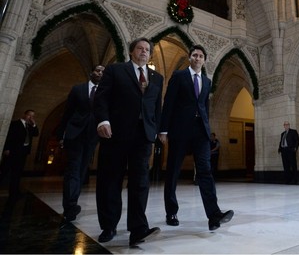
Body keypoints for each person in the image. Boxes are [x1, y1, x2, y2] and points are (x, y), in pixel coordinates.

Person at [93, 37, 163, 246]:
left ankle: (138, 229)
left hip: (143, 136)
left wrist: (157, 130)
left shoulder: (156, 77)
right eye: (140, 48)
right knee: (110, 180)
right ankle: (109, 225)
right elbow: (101, 98)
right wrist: (103, 121)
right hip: (116, 133)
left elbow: (156, 107)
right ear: (132, 51)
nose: (144, 51)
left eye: (147, 49)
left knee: (140, 182)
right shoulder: (115, 70)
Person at [158, 44, 234, 231]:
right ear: (190, 58)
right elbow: (168, 103)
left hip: (200, 132)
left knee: (205, 171)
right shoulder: (179, 76)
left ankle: (213, 215)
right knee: (174, 171)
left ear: (204, 60)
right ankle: (171, 212)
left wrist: (208, 129)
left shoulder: (207, 81)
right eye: (194, 55)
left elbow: (204, 107)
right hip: (180, 130)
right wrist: (163, 130)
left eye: (200, 55)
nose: (197, 58)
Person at [56, 65, 105, 224]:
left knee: (82, 169)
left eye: (103, 72)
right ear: (92, 73)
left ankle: (72, 203)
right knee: (73, 169)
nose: (100, 73)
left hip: (92, 136)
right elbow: (67, 112)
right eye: (98, 70)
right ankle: (69, 206)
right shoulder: (78, 89)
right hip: (75, 133)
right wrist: (61, 134)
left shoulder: (105, 92)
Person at [0, 110, 39, 200]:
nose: (31, 118)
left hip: (23, 152)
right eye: (29, 115)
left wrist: (34, 124)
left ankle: (14, 192)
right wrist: (7, 148)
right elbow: (9, 136)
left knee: (17, 173)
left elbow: (36, 134)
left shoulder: (30, 126)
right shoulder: (15, 124)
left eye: (33, 116)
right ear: (25, 114)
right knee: (4, 170)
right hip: (13, 151)